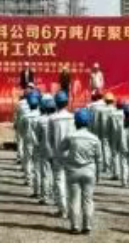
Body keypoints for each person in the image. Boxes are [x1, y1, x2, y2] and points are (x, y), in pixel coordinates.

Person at [59, 108, 102, 234]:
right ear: (88, 122)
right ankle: (87, 225)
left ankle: (75, 226)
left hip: (73, 171)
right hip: (89, 171)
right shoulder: (94, 138)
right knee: (88, 199)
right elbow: (99, 159)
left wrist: (66, 161)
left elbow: (60, 150)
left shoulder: (71, 136)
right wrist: (98, 174)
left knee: (74, 199)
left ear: (75, 122)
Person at [48, 91, 75, 220]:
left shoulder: (52, 118)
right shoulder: (72, 117)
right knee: (71, 182)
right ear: (66, 102)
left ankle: (63, 210)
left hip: (58, 153)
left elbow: (50, 138)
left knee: (59, 181)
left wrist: (52, 153)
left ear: (56, 103)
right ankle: (72, 209)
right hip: (71, 153)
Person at [32, 96, 57, 203]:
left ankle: (45, 197)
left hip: (45, 150)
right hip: (57, 150)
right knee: (57, 175)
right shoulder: (58, 119)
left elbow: (37, 137)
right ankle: (56, 196)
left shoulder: (41, 120)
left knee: (46, 174)